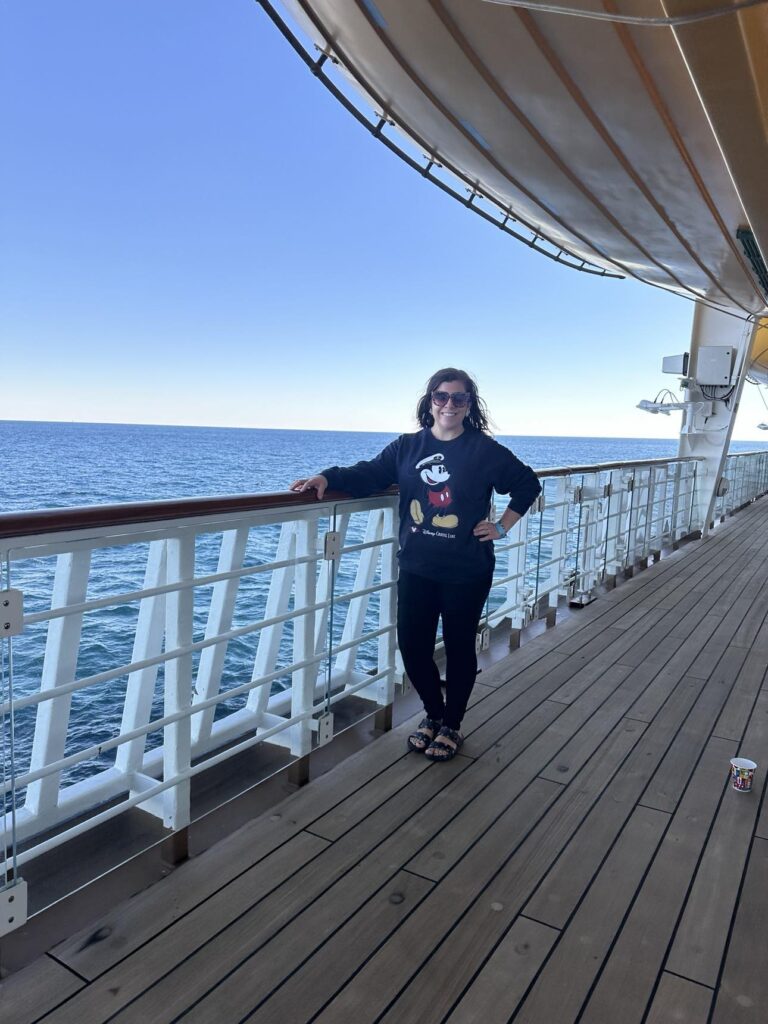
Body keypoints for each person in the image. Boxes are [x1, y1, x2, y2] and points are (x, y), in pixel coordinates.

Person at [290, 368, 541, 761]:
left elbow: (527, 483)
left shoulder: (484, 450)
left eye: (459, 398)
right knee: (412, 645)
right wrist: (325, 477)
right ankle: (433, 714)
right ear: (430, 402)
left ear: (469, 405)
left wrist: (502, 527)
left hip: (466, 569)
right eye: (441, 397)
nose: (449, 405)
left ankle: (452, 726)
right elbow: (368, 474)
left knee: (459, 648)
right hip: (417, 567)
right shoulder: (408, 447)